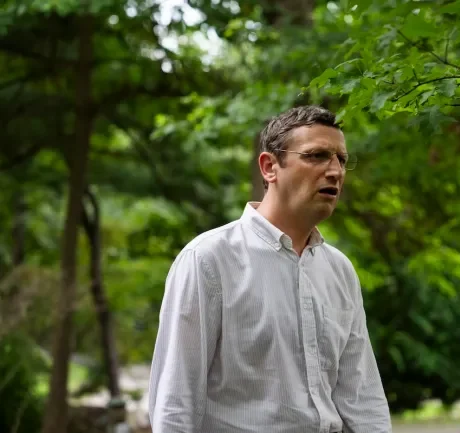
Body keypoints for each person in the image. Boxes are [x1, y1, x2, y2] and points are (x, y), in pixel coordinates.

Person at [148, 105, 392, 433]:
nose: (335, 171)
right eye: (317, 156)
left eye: (341, 159)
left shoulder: (340, 270)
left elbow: (362, 397)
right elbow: (175, 403)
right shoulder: (208, 260)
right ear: (269, 167)